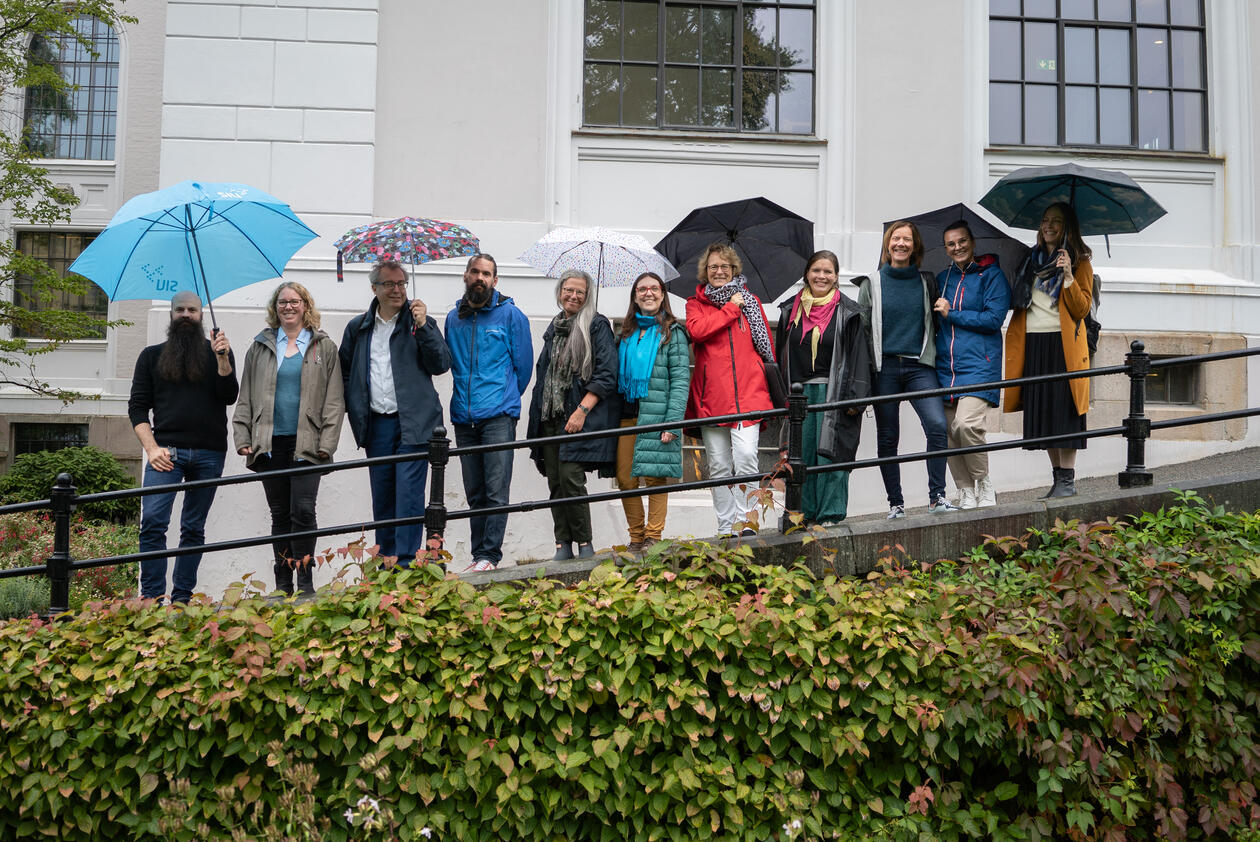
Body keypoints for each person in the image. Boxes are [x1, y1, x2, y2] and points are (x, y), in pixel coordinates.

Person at [232, 282, 344, 595]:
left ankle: (305, 581)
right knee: (280, 514)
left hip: (308, 444)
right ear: (275, 307)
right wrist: (242, 435)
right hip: (269, 444)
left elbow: (334, 400)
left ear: (306, 306)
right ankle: (283, 585)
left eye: (295, 301)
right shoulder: (260, 347)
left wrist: (327, 443)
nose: (288, 307)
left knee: (304, 511)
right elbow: (246, 397)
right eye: (282, 302)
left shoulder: (323, 347)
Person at [128, 290, 238, 604]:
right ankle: (151, 598)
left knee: (193, 528)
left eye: (192, 310)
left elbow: (229, 396)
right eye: (180, 310)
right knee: (152, 523)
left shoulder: (219, 353)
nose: (186, 315)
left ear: (202, 315)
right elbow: (137, 408)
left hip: (210, 453)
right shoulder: (151, 356)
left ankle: (182, 599)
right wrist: (151, 449)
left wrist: (223, 360)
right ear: (172, 315)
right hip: (166, 454)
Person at [340, 259, 452, 567]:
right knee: (383, 496)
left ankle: (405, 563)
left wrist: (424, 326)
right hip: (377, 424)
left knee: (409, 497)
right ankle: (385, 561)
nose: (397, 290)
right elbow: (346, 373)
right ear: (374, 288)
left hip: (413, 423)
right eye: (389, 284)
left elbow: (441, 363)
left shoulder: (419, 323)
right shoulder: (359, 328)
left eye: (401, 283)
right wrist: (356, 409)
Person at [857, 221, 958, 518]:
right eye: (896, 238)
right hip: (883, 369)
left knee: (938, 426)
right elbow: (861, 333)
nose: (901, 243)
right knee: (888, 437)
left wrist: (946, 308)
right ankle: (895, 504)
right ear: (888, 244)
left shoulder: (928, 282)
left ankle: (937, 497)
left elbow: (939, 324)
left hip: (919, 366)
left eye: (907, 239)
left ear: (915, 246)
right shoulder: (870, 284)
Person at [444, 253, 533, 573]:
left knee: (496, 489)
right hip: (463, 417)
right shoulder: (454, 318)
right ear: (466, 276)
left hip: (498, 416)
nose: (480, 277)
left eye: (487, 274)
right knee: (475, 491)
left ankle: (490, 557)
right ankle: (477, 555)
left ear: (495, 281)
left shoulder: (512, 316)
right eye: (475, 272)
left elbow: (523, 368)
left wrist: (505, 399)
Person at [685, 243, 776, 537]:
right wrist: (731, 308)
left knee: (747, 456)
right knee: (720, 466)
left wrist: (741, 305)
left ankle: (746, 523)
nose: (719, 271)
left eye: (725, 266)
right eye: (713, 267)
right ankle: (726, 527)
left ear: (734, 269)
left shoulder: (752, 301)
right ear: (705, 272)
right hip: (712, 399)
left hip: (750, 396)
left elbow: (766, 349)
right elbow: (698, 331)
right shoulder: (695, 304)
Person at [775, 250, 872, 526]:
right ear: (807, 274)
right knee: (800, 455)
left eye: (828, 271)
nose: (822, 276)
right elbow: (781, 352)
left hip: (836, 392)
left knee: (831, 455)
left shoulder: (849, 312)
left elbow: (859, 357)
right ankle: (801, 515)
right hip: (799, 394)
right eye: (816, 270)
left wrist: (856, 399)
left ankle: (829, 515)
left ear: (836, 277)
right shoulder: (789, 310)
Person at [1004, 201, 1094, 498]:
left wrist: (1068, 276)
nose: (1048, 225)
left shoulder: (1080, 261)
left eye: (1056, 221)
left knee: (1064, 412)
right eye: (1045, 220)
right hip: (1033, 342)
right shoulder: (1031, 259)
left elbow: (1081, 309)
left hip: (1062, 344)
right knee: (1044, 413)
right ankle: (1057, 480)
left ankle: (1067, 482)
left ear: (1067, 227)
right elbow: (1017, 299)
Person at [527, 269, 618, 560]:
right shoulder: (554, 328)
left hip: (576, 416)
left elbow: (606, 374)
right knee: (555, 481)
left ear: (587, 296)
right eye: (569, 290)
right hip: (550, 417)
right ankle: (561, 545)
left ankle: (584, 545)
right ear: (559, 292)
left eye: (580, 292)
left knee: (571, 479)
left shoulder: (596, 325)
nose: (573, 296)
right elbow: (544, 375)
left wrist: (581, 411)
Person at [933, 220, 1011, 509]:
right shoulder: (942, 279)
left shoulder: (992, 276)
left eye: (962, 241)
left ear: (972, 242)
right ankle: (964, 490)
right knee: (948, 432)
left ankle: (984, 482)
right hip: (946, 367)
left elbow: (993, 319)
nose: (957, 247)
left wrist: (952, 314)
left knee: (966, 425)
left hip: (980, 365)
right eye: (951, 244)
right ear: (946, 248)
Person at [615, 271, 690, 551]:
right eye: (642, 289)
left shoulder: (673, 333)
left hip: (657, 414)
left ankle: (652, 536)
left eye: (654, 289)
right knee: (625, 478)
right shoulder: (626, 333)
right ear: (635, 296)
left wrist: (672, 423)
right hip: (626, 413)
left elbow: (681, 381)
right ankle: (635, 536)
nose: (648, 293)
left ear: (662, 295)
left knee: (656, 476)